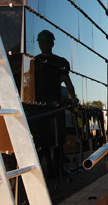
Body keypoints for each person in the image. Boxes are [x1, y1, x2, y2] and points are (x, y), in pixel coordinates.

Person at [34, 30, 78, 178]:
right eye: (41, 43)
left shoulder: (59, 62)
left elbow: (67, 82)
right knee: (43, 139)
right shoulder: (35, 62)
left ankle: (58, 168)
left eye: (46, 43)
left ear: (52, 44)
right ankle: (49, 169)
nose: (43, 46)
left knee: (58, 138)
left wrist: (73, 97)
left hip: (55, 105)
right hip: (39, 106)